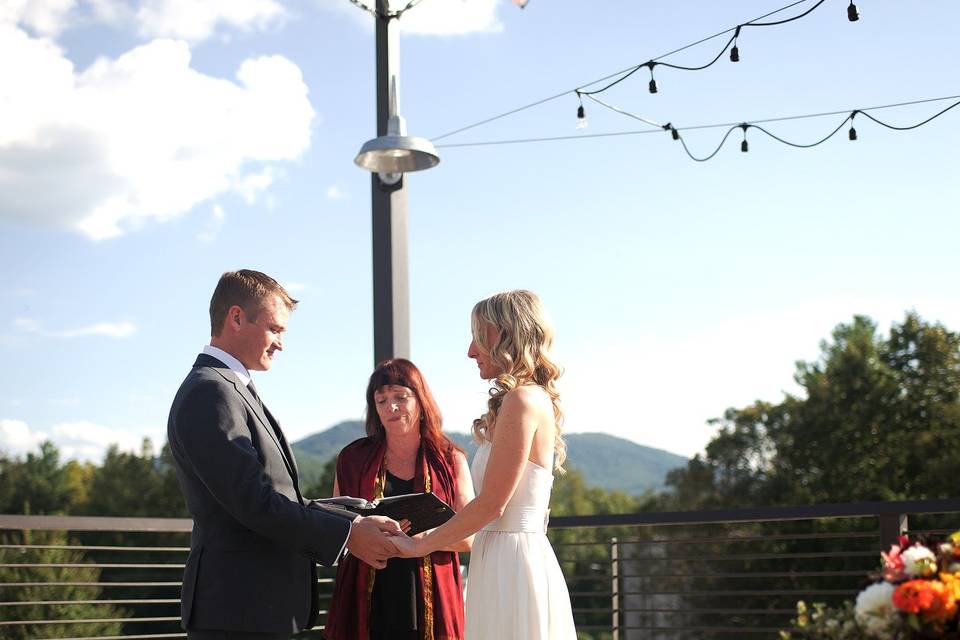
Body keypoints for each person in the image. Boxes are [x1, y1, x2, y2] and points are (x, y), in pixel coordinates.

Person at [167, 269, 401, 640]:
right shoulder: (210, 392)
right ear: (237, 317)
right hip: (237, 611)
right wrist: (347, 535)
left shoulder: (229, 388)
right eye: (276, 329)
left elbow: (273, 496)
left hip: (254, 610)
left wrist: (348, 516)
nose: (281, 344)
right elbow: (253, 503)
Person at [389, 290, 577, 639]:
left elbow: (492, 503)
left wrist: (419, 545)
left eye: (479, 337)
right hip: (500, 557)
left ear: (508, 336)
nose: (470, 351)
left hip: (512, 564)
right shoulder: (525, 399)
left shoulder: (521, 400)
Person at [325, 358, 474, 640]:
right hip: (366, 590)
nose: (391, 407)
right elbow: (337, 524)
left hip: (431, 594)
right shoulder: (352, 458)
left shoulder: (450, 459)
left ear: (421, 401)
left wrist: (422, 539)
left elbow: (470, 536)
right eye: (381, 401)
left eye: (400, 397)